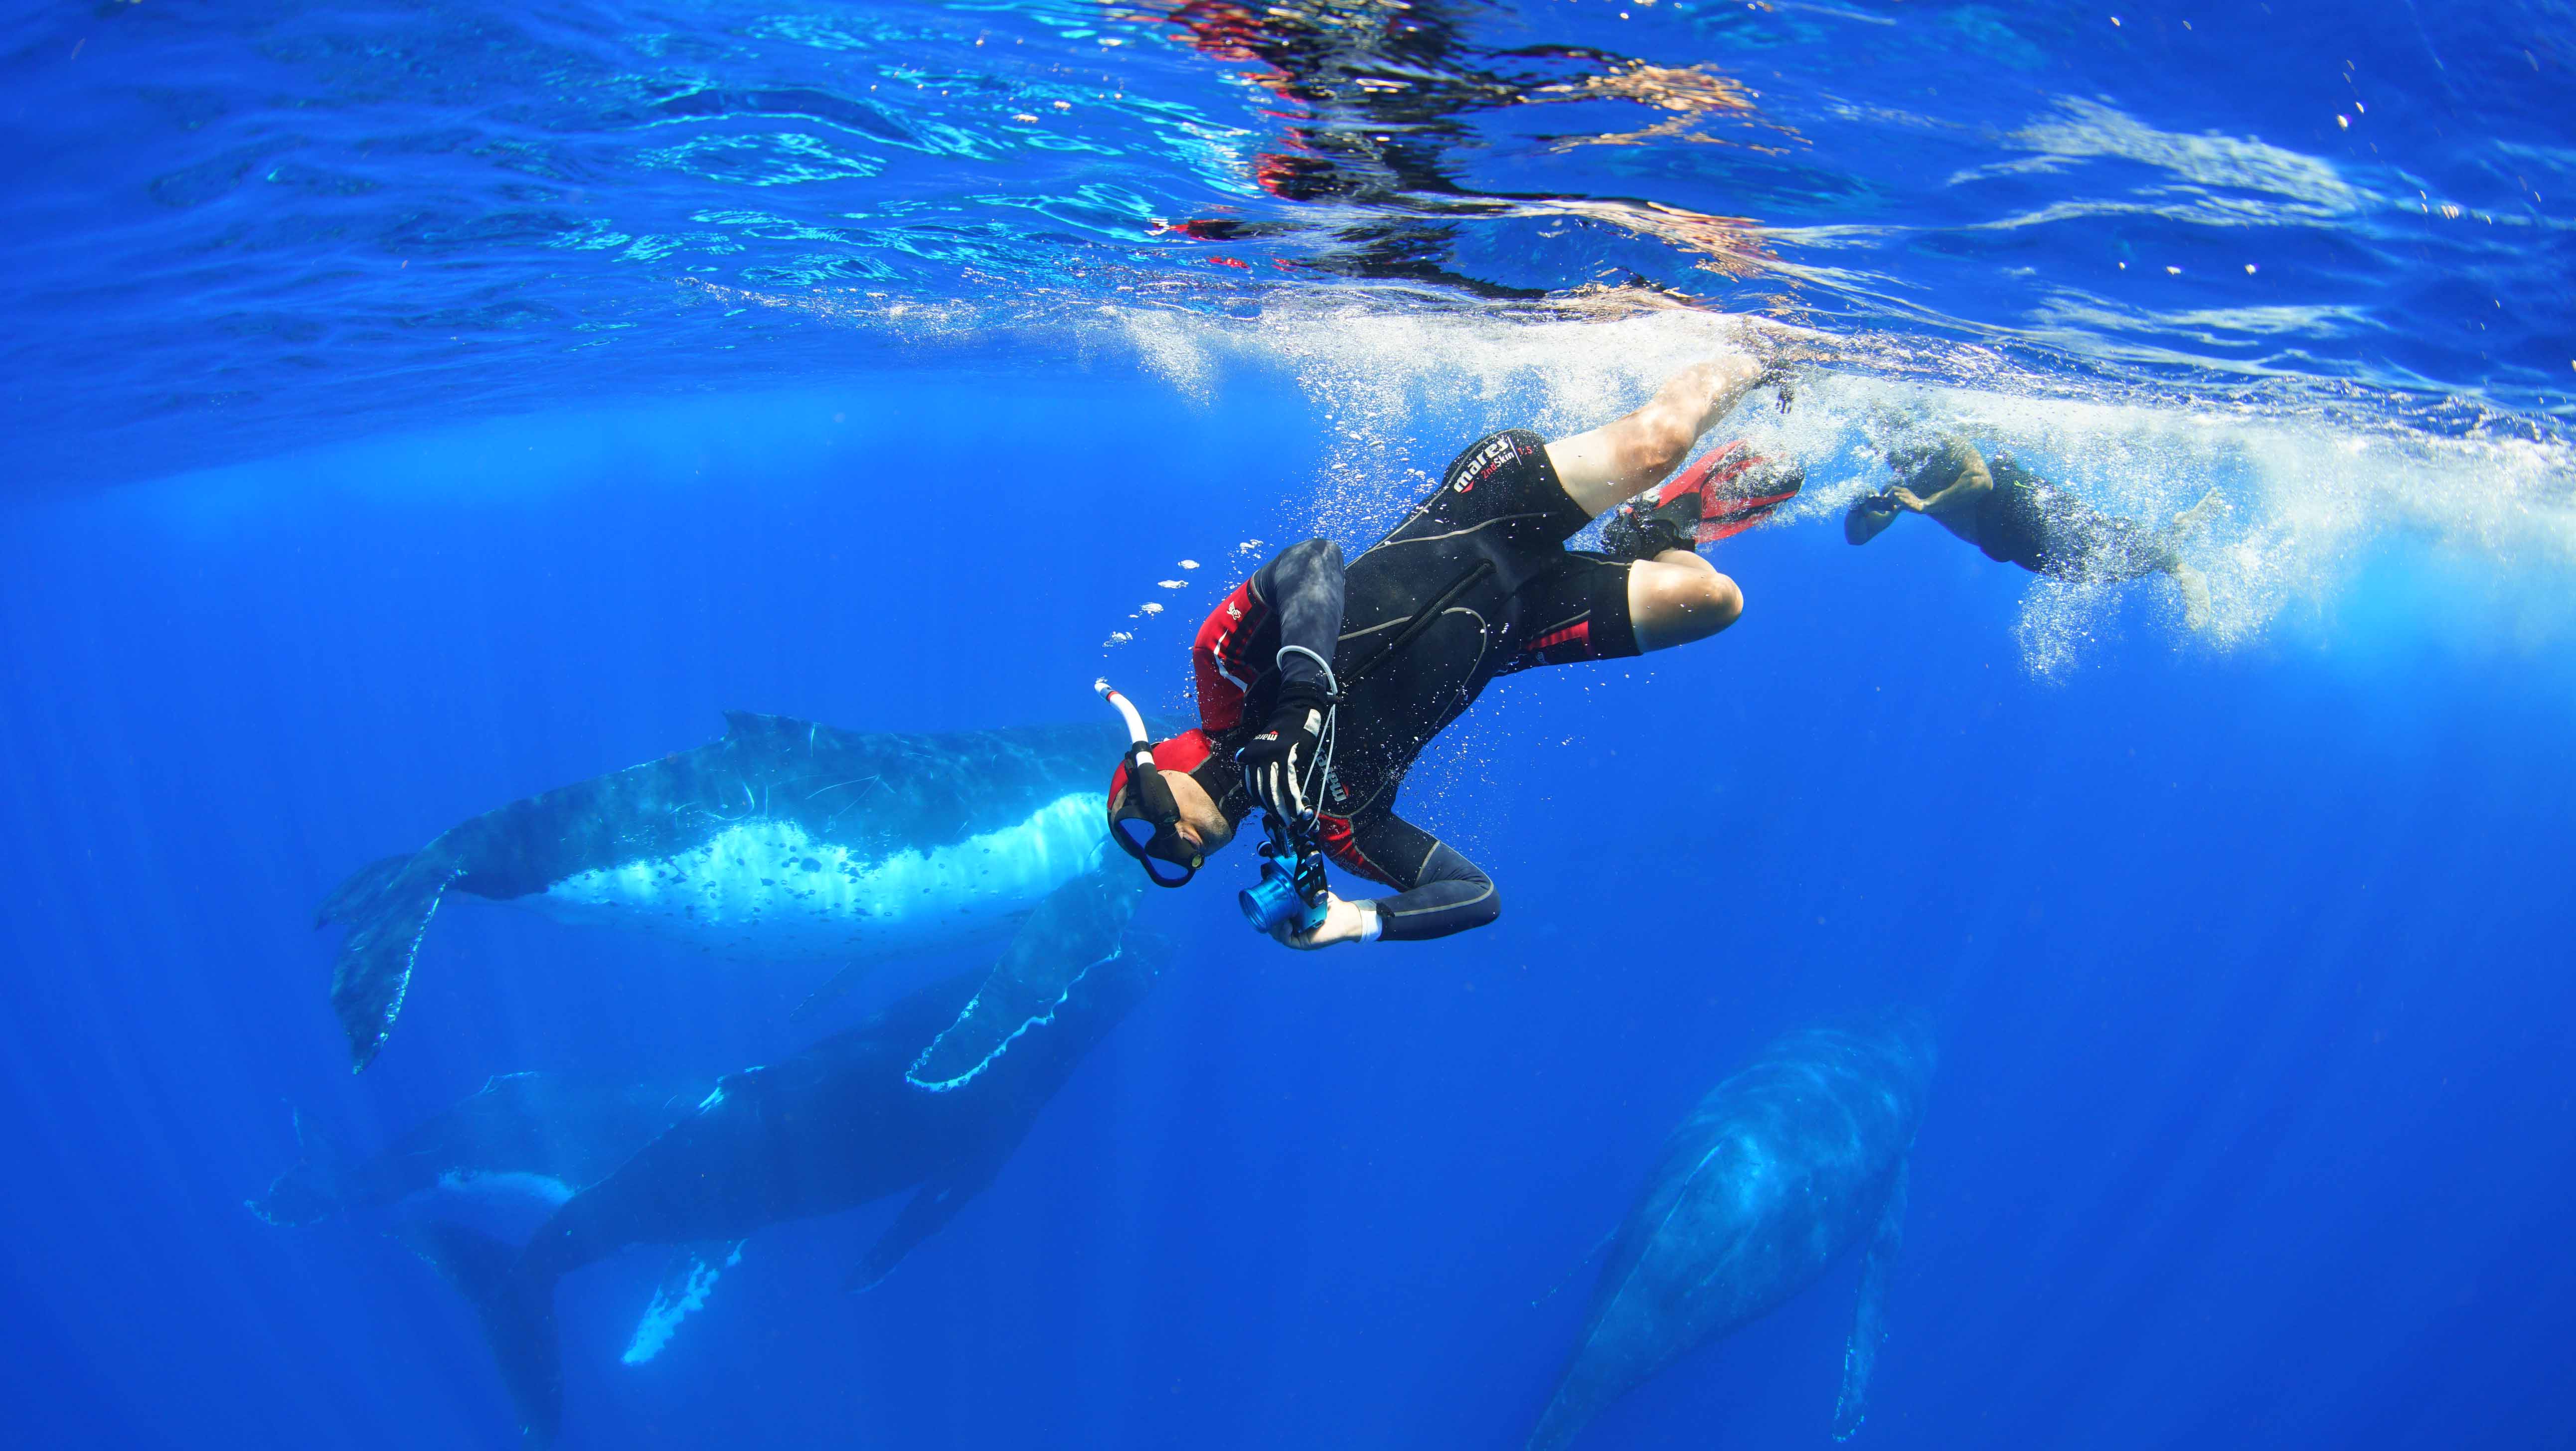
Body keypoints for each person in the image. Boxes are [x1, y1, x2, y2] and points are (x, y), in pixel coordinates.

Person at [1105, 353, 1804, 948]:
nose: (1180, 854)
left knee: (1661, 443)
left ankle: (1760, 350)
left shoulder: (1224, 668)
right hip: (1524, 623)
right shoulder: (1336, 823)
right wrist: (1357, 921)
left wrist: (1300, 700)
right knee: (1719, 604)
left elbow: (1313, 560)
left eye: (1155, 834)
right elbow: (1476, 894)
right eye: (1173, 863)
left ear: (1154, 770)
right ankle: (1656, 529)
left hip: (1485, 512)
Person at [1844, 437, 2222, 626]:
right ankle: (2176, 537)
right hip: (2005, 540)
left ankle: (2181, 567)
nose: (1888, 455)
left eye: (1890, 442)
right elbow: (1858, 537)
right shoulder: (1902, 484)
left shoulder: (1947, 443)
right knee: (2089, 565)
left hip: (2015, 503)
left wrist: (1927, 505)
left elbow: (1982, 480)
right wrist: (1858, 510)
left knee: (2094, 547)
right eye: (1882, 449)